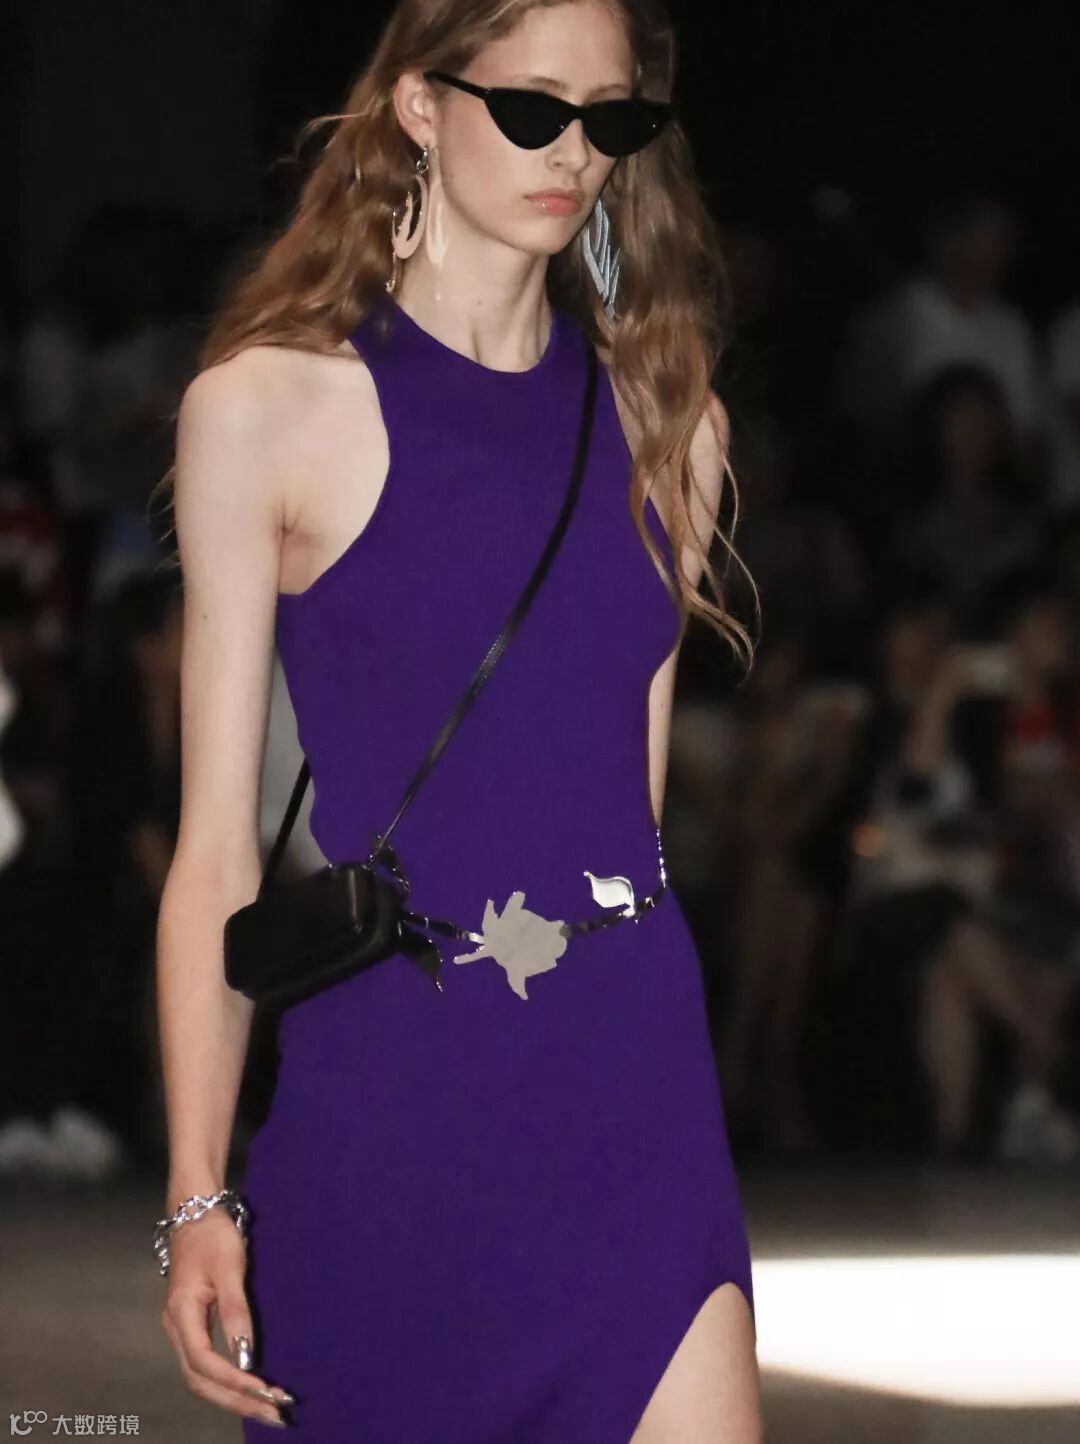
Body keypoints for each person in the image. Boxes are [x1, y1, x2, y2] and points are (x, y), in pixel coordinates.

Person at [153, 1, 762, 1439]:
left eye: (609, 117)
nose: (575, 152)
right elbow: (216, 852)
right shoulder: (264, 409)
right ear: (420, 105)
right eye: (533, 107)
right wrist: (195, 1190)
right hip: (393, 1105)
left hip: (632, 1089)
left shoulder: (675, 427)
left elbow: (628, 821)